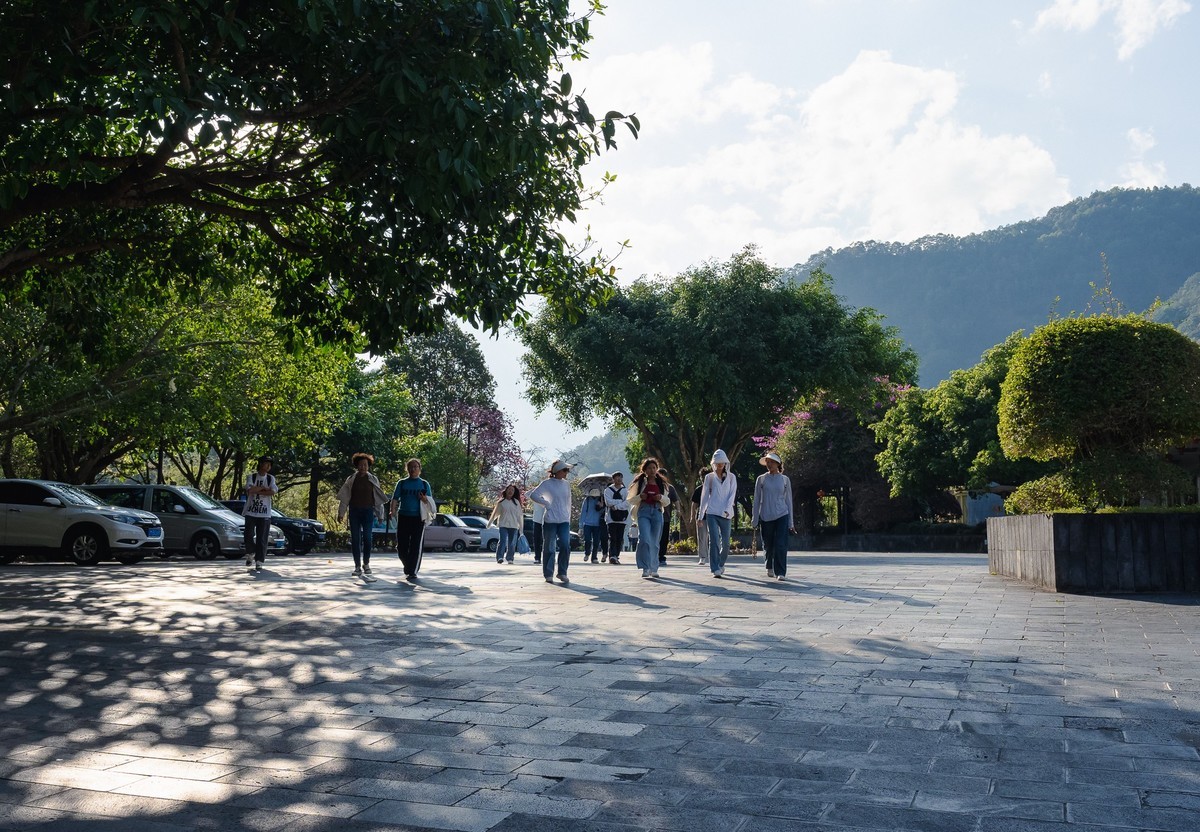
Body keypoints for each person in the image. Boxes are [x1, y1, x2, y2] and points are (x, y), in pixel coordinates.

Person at [336, 452, 388, 581]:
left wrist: (380, 515)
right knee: (355, 539)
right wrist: (341, 513)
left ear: (368, 466)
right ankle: (357, 566)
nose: (363, 467)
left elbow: (378, 498)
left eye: (365, 465)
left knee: (367, 538)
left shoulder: (373, 479)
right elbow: (344, 498)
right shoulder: (351, 479)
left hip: (368, 511)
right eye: (361, 465)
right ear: (357, 466)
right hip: (354, 511)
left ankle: (366, 563)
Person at [529, 459, 574, 584]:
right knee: (549, 547)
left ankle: (562, 572)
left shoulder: (566, 484)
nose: (566, 472)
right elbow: (534, 495)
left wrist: (568, 517)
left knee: (565, 545)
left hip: (564, 520)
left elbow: (568, 502)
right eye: (565, 470)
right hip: (550, 520)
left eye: (567, 470)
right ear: (558, 471)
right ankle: (548, 573)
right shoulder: (547, 484)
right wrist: (545, 503)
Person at [753, 451, 795, 580]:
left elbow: (788, 501)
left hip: (782, 514)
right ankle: (769, 566)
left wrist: (791, 522)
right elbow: (756, 500)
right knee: (768, 544)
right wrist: (755, 519)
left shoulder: (785, 480)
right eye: (767, 462)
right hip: (766, 515)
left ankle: (781, 571)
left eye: (771, 462)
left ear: (778, 464)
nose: (769, 464)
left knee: (781, 543)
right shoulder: (761, 479)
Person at [390, 458, 434, 582]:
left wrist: (424, 499)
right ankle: (408, 565)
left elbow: (429, 501)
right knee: (401, 546)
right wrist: (392, 510)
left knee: (415, 546)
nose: (413, 469)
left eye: (416, 467)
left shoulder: (424, 484)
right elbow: (395, 498)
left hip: (418, 518)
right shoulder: (402, 483)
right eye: (411, 467)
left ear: (420, 469)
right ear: (407, 469)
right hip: (403, 516)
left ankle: (412, 571)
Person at [628, 458, 670, 579]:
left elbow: (667, 501)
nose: (652, 470)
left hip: (657, 511)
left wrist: (660, 497)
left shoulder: (662, 484)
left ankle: (654, 568)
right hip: (643, 512)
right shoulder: (640, 482)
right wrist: (640, 496)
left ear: (657, 469)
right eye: (649, 468)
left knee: (655, 541)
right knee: (645, 539)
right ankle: (645, 567)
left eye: (654, 468)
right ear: (645, 470)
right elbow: (630, 499)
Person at [699, 449, 738, 578]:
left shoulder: (731, 477)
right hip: (712, 512)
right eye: (717, 462)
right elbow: (704, 497)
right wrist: (700, 516)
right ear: (713, 463)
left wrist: (727, 509)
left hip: (726, 514)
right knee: (714, 540)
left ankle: (721, 564)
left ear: (726, 462)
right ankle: (714, 567)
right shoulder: (709, 477)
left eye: (722, 462)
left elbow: (732, 495)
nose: (720, 464)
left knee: (726, 543)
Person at [242, 455, 279, 573]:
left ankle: (259, 561)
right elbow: (250, 490)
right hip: (251, 511)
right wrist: (263, 489)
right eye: (266, 463)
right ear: (260, 464)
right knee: (248, 534)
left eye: (270, 464)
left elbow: (272, 491)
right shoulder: (251, 477)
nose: (268, 466)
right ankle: (250, 552)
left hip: (265, 513)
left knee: (262, 538)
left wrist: (258, 489)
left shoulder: (270, 479)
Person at [488, 484, 523, 565]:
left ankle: (510, 558)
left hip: (513, 525)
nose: (510, 491)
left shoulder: (516, 503)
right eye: (509, 489)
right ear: (506, 491)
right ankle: (499, 557)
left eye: (512, 490)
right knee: (502, 541)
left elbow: (520, 515)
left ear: (514, 492)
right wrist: (489, 524)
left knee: (512, 543)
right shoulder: (501, 502)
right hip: (503, 524)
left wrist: (521, 528)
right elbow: (495, 514)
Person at [603, 472, 629, 565]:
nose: (619, 480)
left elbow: (627, 503)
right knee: (612, 537)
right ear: (613, 479)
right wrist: (620, 502)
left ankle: (616, 555)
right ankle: (612, 555)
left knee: (619, 538)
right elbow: (608, 502)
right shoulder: (608, 490)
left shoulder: (625, 490)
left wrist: (617, 506)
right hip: (611, 518)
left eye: (620, 478)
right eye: (617, 478)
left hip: (622, 518)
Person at [656, 469, 679, 566]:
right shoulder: (654, 486)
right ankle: (654, 555)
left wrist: (678, 510)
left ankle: (661, 556)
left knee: (664, 538)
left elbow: (676, 500)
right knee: (655, 537)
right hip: (654, 516)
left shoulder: (670, 488)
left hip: (665, 517)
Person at [691, 466, 711, 567]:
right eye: (702, 477)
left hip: (713, 515)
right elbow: (694, 504)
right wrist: (692, 515)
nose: (703, 478)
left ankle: (712, 556)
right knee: (702, 538)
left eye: (705, 476)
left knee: (713, 537)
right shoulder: (699, 489)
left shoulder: (714, 488)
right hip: (701, 516)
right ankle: (702, 557)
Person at [579, 488, 605, 564]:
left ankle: (594, 557)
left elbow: (603, 512)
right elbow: (583, 512)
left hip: (597, 524)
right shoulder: (587, 500)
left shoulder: (601, 499)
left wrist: (601, 506)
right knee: (587, 540)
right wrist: (581, 525)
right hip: (587, 523)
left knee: (596, 541)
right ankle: (587, 553)